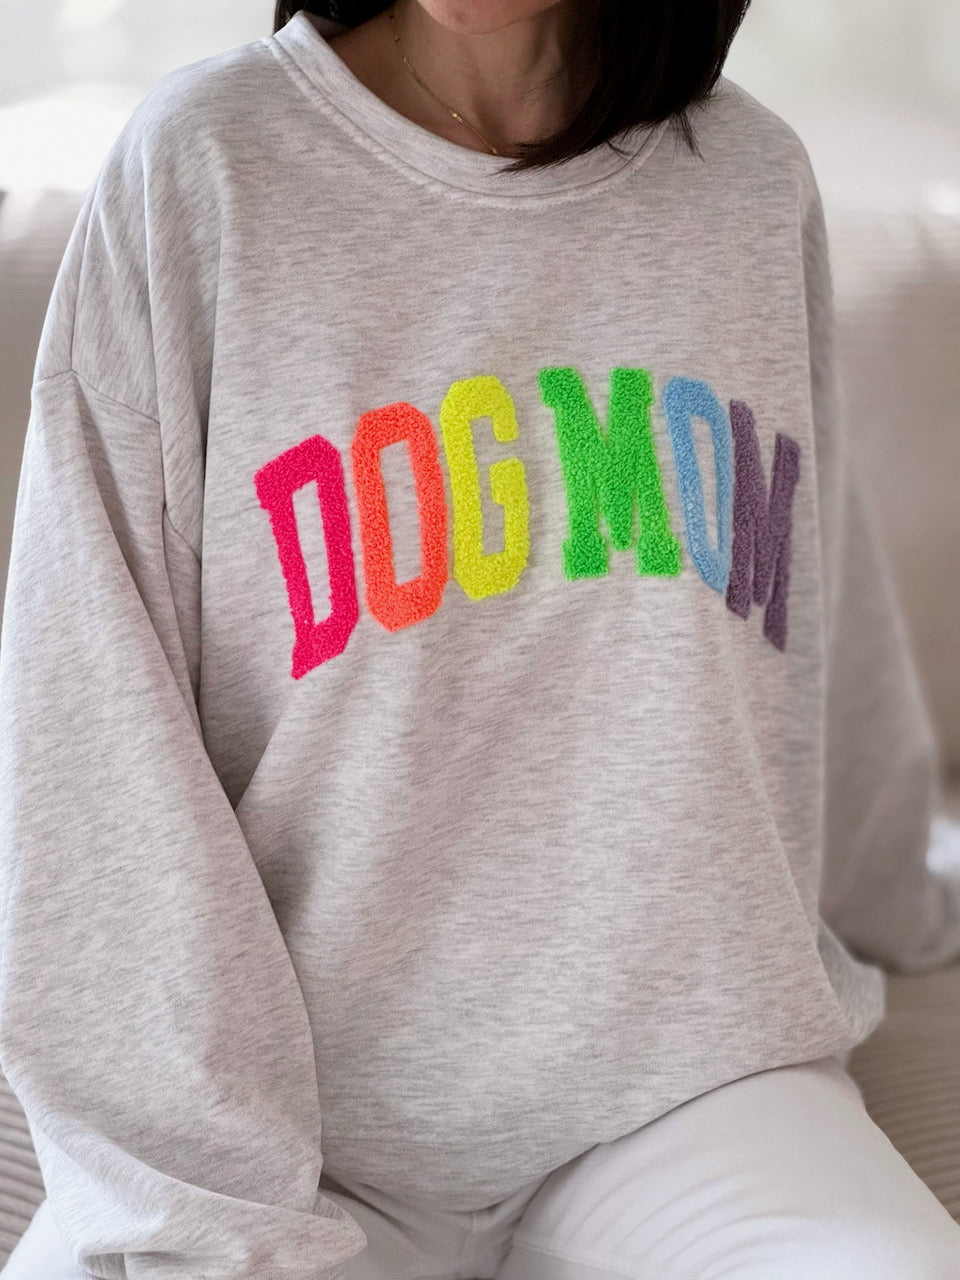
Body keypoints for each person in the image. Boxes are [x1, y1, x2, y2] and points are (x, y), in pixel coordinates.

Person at [1, 1, 959, 1277]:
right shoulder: (206, 162)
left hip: (690, 1084)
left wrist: (900, 909)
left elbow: (811, 605)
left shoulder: (749, 182)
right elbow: (91, 726)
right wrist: (199, 1193)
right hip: (292, 1119)